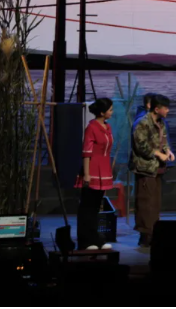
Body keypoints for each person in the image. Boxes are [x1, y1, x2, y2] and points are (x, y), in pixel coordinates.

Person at [130, 94, 174, 247]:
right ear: (156, 109)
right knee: (145, 203)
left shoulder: (160, 122)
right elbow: (140, 145)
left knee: (155, 203)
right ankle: (145, 235)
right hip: (145, 168)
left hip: (157, 168)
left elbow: (164, 140)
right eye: (165, 108)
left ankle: (154, 232)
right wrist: (158, 153)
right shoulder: (142, 123)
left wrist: (168, 151)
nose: (168, 111)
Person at [75, 98, 114, 250]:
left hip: (103, 169)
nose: (112, 112)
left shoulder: (107, 127)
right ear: (102, 112)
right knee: (87, 207)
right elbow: (86, 152)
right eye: (110, 110)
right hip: (92, 170)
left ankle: (96, 239)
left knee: (96, 207)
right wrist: (86, 174)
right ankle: (85, 241)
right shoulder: (91, 127)